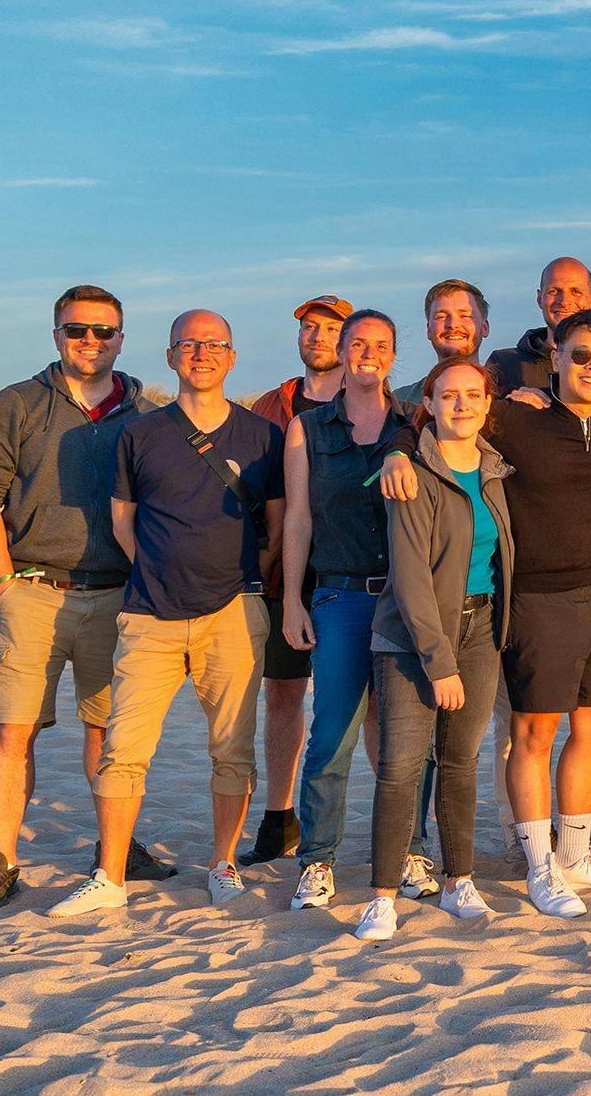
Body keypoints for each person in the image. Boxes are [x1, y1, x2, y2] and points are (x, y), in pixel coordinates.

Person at [51, 311, 283, 917]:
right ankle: (109, 875)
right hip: (149, 613)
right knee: (124, 747)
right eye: (189, 343)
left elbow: (278, 525)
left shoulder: (262, 436)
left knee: (232, 747)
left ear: (231, 357)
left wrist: (240, 576)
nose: (201, 353)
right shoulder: (141, 433)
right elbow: (123, 519)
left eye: (214, 344)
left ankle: (223, 863)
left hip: (234, 611)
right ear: (171, 355)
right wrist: (158, 567)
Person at [0, 285, 173, 910]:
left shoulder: (146, 415)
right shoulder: (17, 405)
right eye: (77, 330)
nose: (90, 341)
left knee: (109, 733)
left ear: (122, 339)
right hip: (33, 590)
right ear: (57, 335)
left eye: (103, 332)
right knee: (13, 729)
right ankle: (2, 859)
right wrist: (1, 584)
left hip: (118, 596)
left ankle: (116, 845)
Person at [465, 308, 591, 915]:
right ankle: (540, 866)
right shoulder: (515, 417)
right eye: (579, 355)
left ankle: (576, 854)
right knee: (533, 734)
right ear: (554, 355)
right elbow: (439, 417)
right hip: (534, 599)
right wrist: (394, 453)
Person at [354, 358, 515, 940]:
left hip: (480, 630)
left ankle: (458, 881)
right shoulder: (412, 471)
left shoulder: (496, 470)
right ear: (431, 401)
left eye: (474, 395)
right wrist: (438, 662)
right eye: (450, 395)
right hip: (411, 640)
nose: (463, 405)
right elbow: (412, 578)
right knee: (400, 766)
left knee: (460, 763)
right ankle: (383, 896)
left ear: (487, 404)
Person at [283, 311, 435, 911]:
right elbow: (298, 517)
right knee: (333, 735)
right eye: (358, 343)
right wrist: (295, 598)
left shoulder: (415, 423)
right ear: (341, 351)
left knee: (406, 740)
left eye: (381, 345)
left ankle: (411, 852)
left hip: (404, 601)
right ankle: (317, 861)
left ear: (393, 356)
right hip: (340, 596)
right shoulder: (308, 428)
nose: (368, 353)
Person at [239, 293, 353, 864]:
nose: (317, 337)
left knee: (371, 703)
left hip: (353, 572)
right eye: (309, 328)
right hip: (286, 574)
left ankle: (393, 826)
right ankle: (279, 817)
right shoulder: (272, 406)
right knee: (283, 693)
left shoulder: (372, 403)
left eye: (330, 329)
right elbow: (252, 489)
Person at [485, 256, 591, 395]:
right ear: (539, 298)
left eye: (576, 292)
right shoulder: (503, 364)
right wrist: (512, 406)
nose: (564, 302)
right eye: (553, 291)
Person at [394, 280, 490, 406]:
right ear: (428, 330)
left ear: (484, 328)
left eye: (465, 315)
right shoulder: (401, 402)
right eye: (441, 317)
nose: (453, 325)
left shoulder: (509, 395)